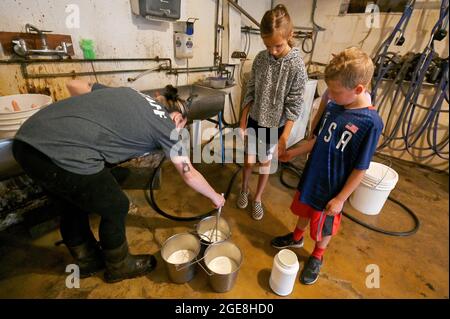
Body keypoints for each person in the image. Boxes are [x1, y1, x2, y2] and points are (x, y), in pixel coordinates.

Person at [12, 80, 225, 283]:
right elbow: (189, 174)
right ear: (177, 118)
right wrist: (215, 197)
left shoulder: (132, 94)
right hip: (63, 153)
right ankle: (119, 266)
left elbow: (74, 85)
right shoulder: (166, 126)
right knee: (116, 205)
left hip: (26, 143)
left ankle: (88, 261)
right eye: (182, 129)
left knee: (71, 205)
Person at [272, 47, 384, 285]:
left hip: (333, 187)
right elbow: (317, 140)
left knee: (323, 226)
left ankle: (317, 255)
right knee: (304, 209)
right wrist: (293, 152)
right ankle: (297, 237)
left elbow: (361, 168)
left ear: (359, 90)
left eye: (335, 91)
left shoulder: (370, 122)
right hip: (313, 174)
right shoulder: (334, 106)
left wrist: (341, 198)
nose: (330, 96)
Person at [238, 4, 307, 220]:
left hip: (274, 126)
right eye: (267, 45)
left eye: (277, 45)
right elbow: (250, 91)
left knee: (264, 164)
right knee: (249, 161)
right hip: (255, 120)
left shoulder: (296, 66)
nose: (272, 51)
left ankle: (257, 198)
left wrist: (284, 137)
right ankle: (243, 189)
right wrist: (242, 122)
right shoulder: (261, 59)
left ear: (290, 35)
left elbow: (294, 106)